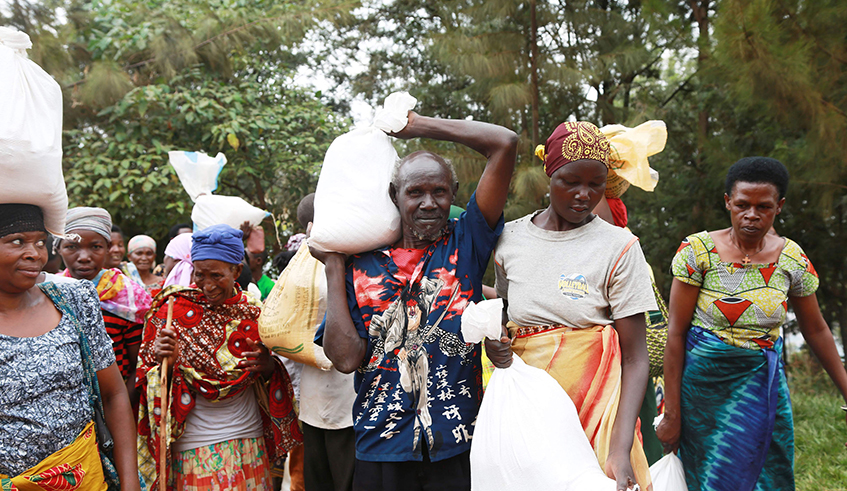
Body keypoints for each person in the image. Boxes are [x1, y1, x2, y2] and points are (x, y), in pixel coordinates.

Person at [312, 111, 517, 491]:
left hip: (458, 443)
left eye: (439, 192)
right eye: (415, 192)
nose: (428, 203)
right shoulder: (359, 265)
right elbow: (344, 359)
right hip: (380, 445)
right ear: (394, 196)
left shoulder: (466, 241)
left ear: (453, 193)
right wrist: (332, 266)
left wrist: (416, 125)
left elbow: (504, 143)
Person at [656, 157, 847, 491]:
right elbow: (676, 333)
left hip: (763, 388)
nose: (752, 215)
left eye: (764, 207)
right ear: (728, 201)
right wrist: (672, 413)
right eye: (742, 205)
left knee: (769, 475)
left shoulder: (791, 258)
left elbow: (816, 329)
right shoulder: (697, 251)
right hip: (704, 394)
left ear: (779, 207)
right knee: (711, 477)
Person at [485, 121, 654, 491]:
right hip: (527, 405)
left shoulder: (619, 247)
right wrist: (495, 338)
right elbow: (508, 313)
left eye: (595, 184)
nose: (583, 194)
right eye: (571, 181)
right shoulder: (510, 238)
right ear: (550, 175)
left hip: (595, 405)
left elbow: (636, 357)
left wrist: (620, 449)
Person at [136, 224, 302, 491]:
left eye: (216, 275)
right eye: (200, 274)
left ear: (236, 270)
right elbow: (147, 372)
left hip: (248, 439)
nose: (207, 284)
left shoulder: (256, 313)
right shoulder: (170, 310)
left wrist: (268, 366)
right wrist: (163, 357)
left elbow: (276, 374)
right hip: (192, 444)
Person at [0, 204, 141, 490]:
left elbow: (113, 394)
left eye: (40, 241)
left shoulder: (74, 300)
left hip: (86, 477)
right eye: (17, 241)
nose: (35, 253)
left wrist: (130, 484)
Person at [57, 207, 152, 409]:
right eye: (72, 247)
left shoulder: (128, 299)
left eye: (95, 247)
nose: (84, 256)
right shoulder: (48, 295)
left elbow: (139, 365)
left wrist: (118, 410)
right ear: (58, 248)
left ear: (108, 248)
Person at [293, 193, 357, 491]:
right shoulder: (342, 259)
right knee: (343, 475)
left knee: (320, 476)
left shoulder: (299, 264)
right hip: (340, 386)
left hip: (320, 387)